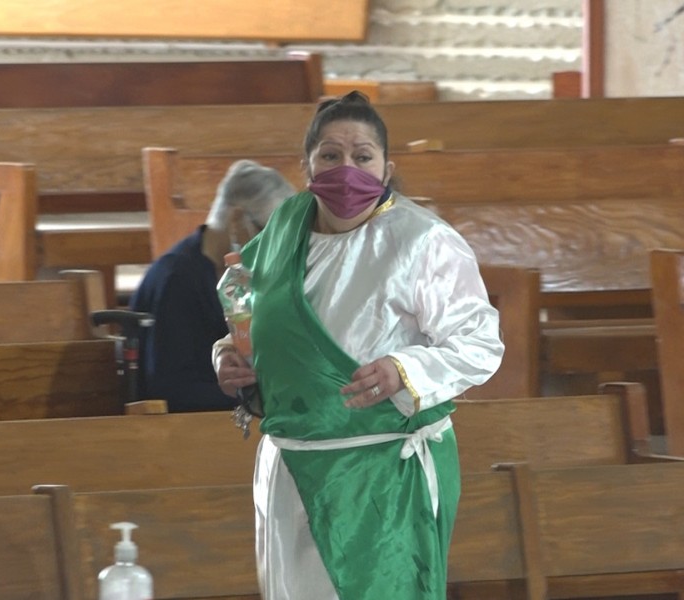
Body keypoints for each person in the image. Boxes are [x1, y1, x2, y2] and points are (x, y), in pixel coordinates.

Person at [212, 92, 504, 599]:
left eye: (362, 156)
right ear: (307, 166)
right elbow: (259, 326)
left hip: (380, 474)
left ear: (386, 167)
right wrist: (229, 358)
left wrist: (404, 369)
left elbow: (480, 343)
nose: (346, 168)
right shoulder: (281, 231)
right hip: (291, 469)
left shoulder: (422, 241)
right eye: (330, 155)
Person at [129, 159, 295, 412]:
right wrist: (261, 397)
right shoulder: (176, 278)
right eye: (268, 233)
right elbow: (170, 389)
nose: (274, 247)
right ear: (237, 219)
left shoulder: (244, 273)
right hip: (186, 430)